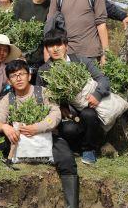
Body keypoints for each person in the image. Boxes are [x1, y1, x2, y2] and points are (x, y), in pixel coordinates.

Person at [0, 59, 81, 208]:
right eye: (13, 76)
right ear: (9, 81)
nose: (18, 78)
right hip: (19, 141)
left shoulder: (43, 92)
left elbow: (55, 115)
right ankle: (7, 159)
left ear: (29, 75)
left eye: (21, 74)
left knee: (67, 159)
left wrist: (37, 127)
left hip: (45, 137)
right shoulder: (7, 99)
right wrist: (5, 127)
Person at [36, 29, 109, 165]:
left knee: (89, 115)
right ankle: (74, 147)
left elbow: (102, 79)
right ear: (46, 49)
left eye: (59, 44)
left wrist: (97, 94)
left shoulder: (81, 61)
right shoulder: (44, 71)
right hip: (66, 115)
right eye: (51, 46)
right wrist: (56, 108)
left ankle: (89, 149)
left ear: (66, 45)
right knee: (69, 129)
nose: (55, 49)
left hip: (89, 107)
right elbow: (40, 97)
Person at [13, 0, 51, 69]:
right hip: (18, 57)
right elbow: (12, 29)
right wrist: (18, 55)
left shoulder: (52, 5)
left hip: (41, 59)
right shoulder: (20, 3)